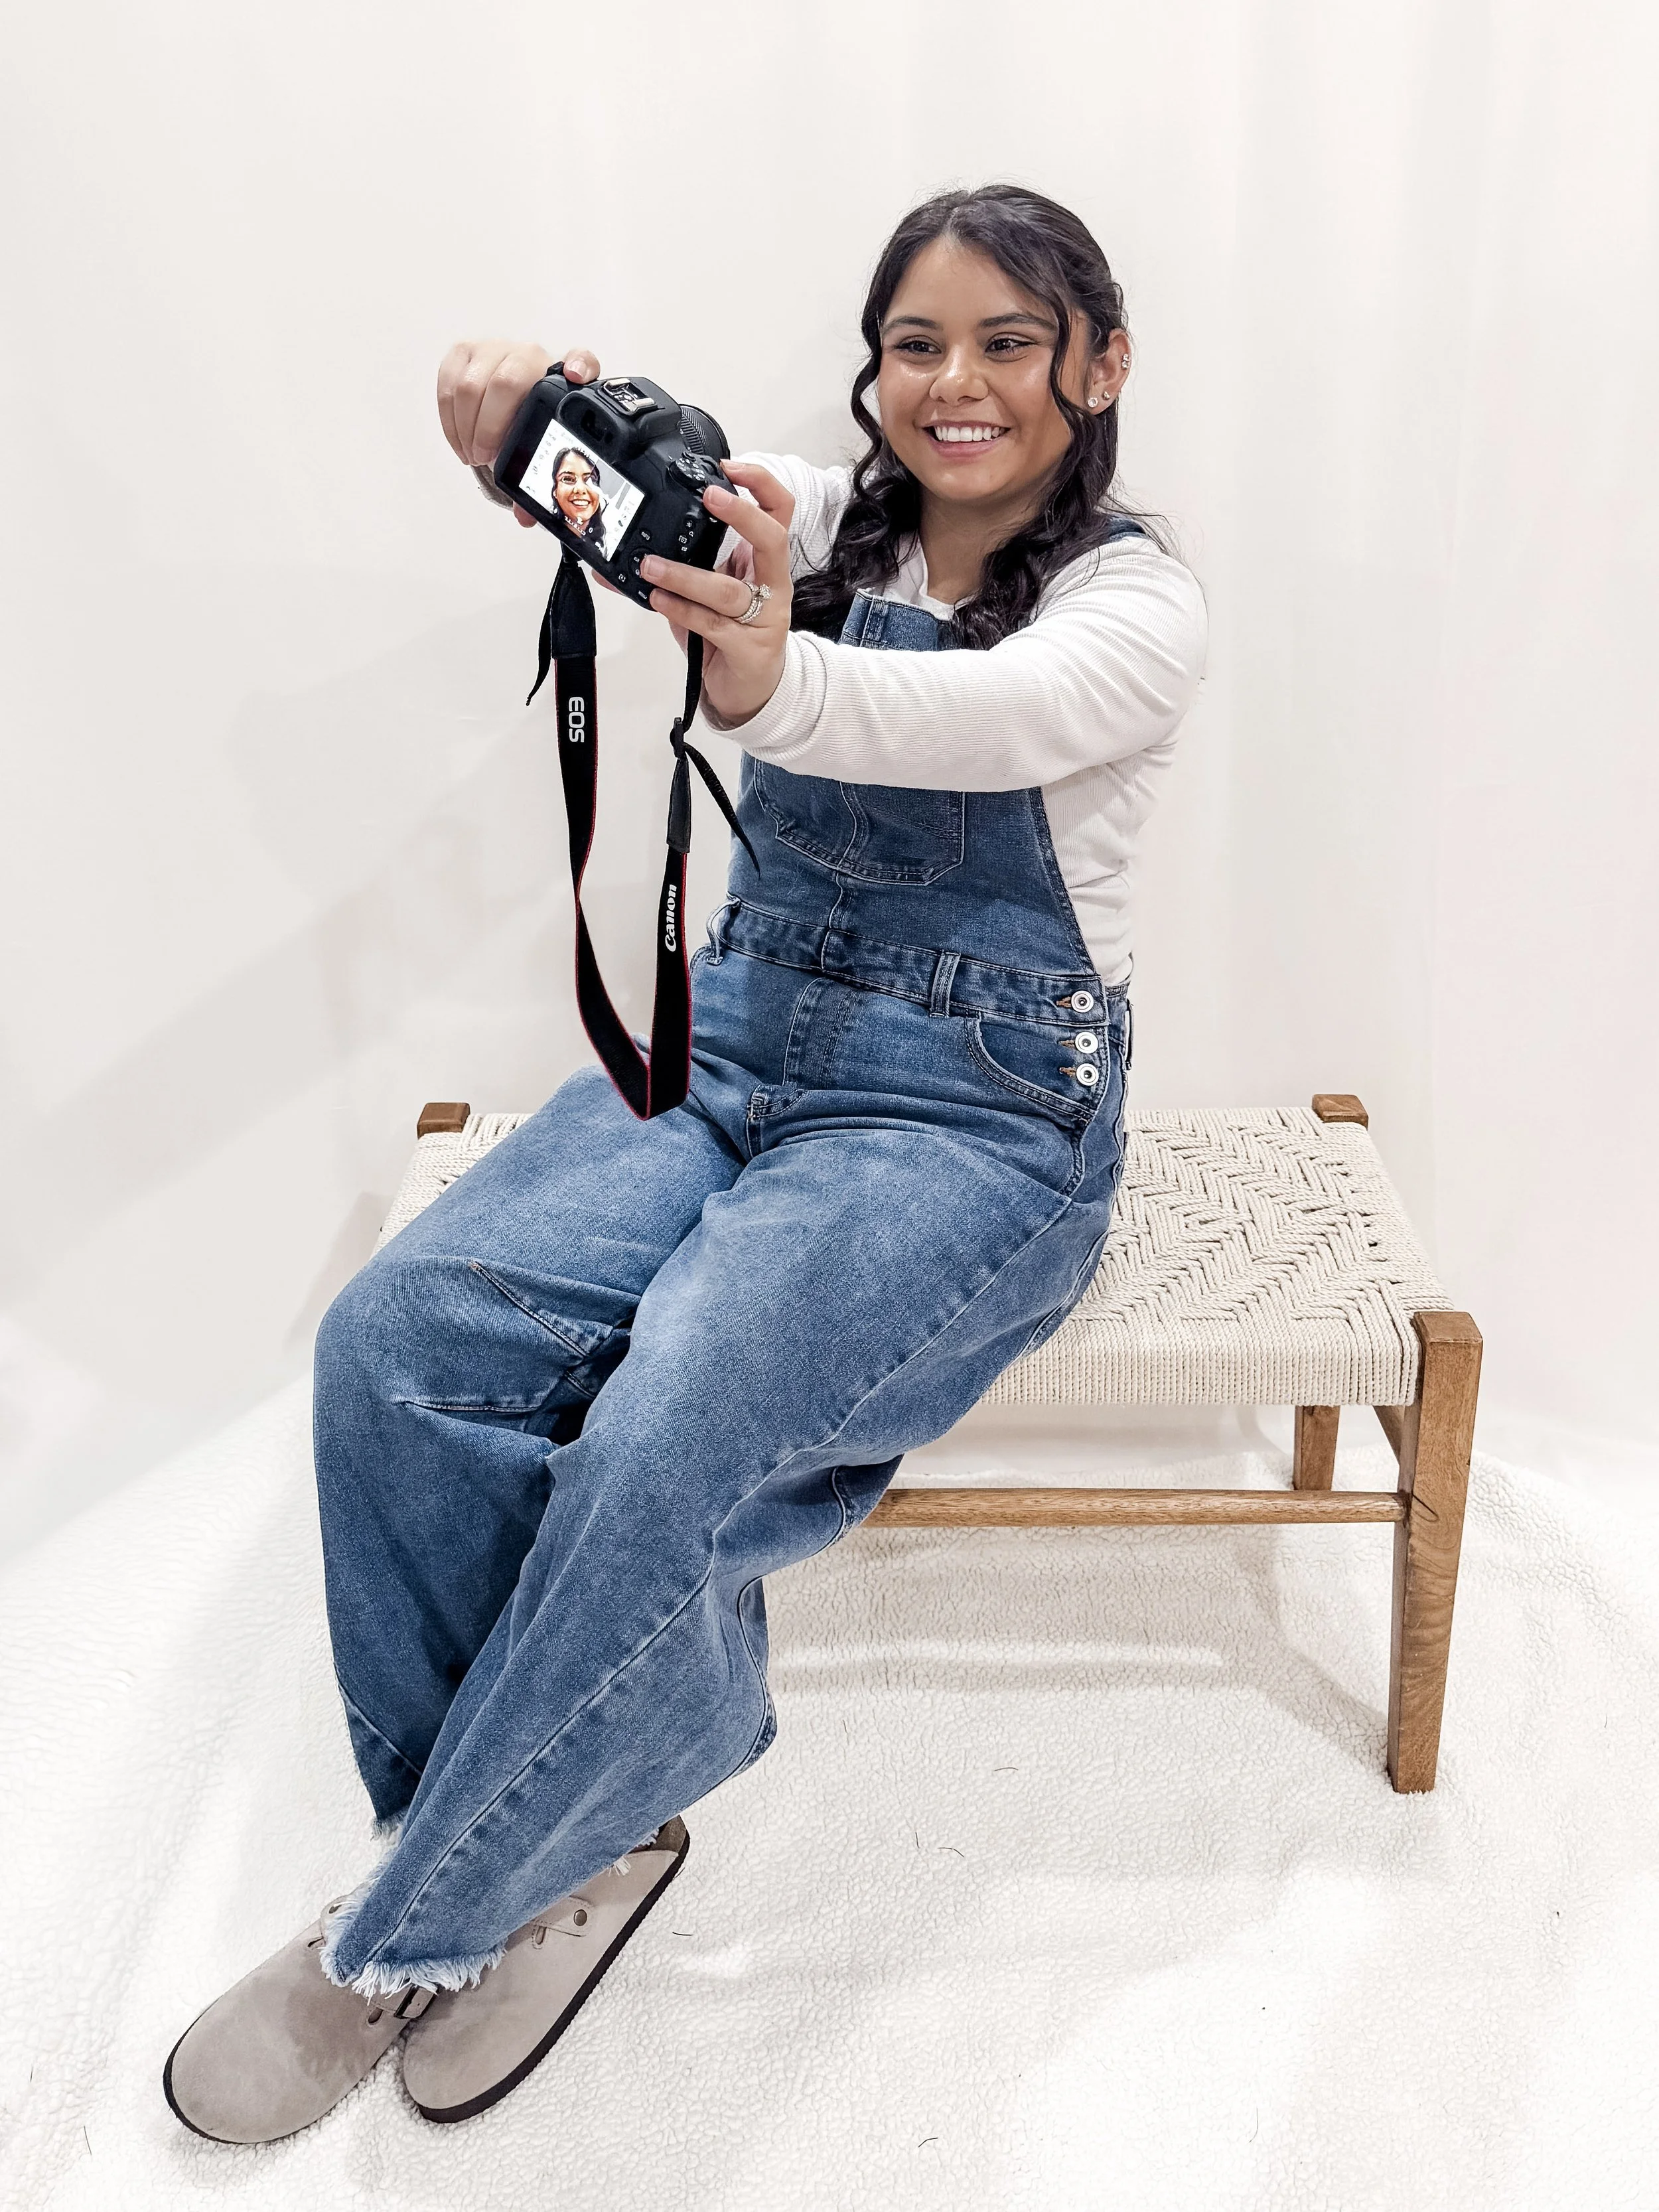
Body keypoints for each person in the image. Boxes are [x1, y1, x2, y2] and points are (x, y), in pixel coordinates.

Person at [161, 182, 1207, 2144]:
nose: (956, 382)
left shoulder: (1134, 609)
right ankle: (571, 1839)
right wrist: (522, 422)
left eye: (1008, 341)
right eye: (915, 343)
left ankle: (398, 1931)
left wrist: (761, 672)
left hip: (974, 1113)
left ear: (1100, 363)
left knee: (671, 1425)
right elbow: (672, 495)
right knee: (397, 1337)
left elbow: (965, 713)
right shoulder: (810, 519)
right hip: (735, 1036)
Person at [547, 443, 606, 541]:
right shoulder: (545, 527)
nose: (580, 489)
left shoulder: (607, 543)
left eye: (590, 480)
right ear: (555, 491)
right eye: (568, 479)